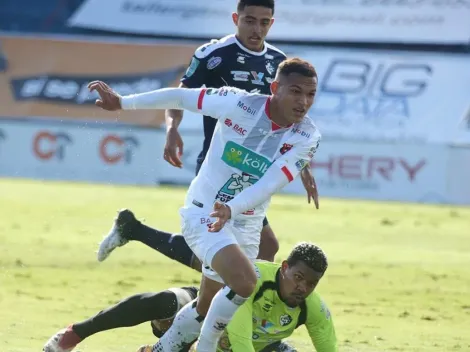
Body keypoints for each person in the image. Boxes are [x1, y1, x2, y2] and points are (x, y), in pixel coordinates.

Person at [88, 55, 321, 351]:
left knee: (208, 302)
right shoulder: (239, 103)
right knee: (245, 283)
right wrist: (123, 102)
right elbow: (182, 96)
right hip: (205, 210)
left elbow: (270, 182)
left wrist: (233, 208)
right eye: (296, 91)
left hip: (246, 221)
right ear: (275, 87)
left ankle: (161, 349)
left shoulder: (308, 135)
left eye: (311, 94)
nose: (303, 101)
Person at [96, 0, 319, 269]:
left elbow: (289, 120)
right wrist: (172, 128)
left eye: (263, 22)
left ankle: (136, 232)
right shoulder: (213, 55)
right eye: (249, 20)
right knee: (244, 248)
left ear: (271, 23)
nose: (256, 29)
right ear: (236, 18)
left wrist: (302, 166)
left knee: (246, 248)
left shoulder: (279, 63)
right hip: (223, 161)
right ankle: (218, 296)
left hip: (256, 165)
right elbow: (182, 96)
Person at [43, 243, 336, 352]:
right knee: (164, 303)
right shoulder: (252, 281)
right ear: (284, 268)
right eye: (298, 278)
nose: (303, 288)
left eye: (311, 284)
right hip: (207, 313)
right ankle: (76, 333)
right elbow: (238, 337)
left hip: (247, 343)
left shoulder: (314, 309)